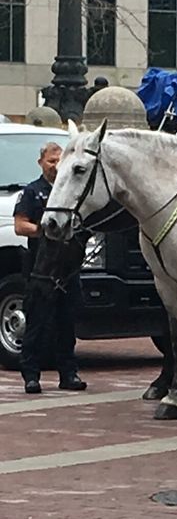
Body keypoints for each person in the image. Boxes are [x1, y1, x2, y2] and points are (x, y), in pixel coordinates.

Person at [14, 142, 88, 395]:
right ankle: (31, 376)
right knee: (36, 325)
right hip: (40, 269)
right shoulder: (33, 192)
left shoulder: (69, 190)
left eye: (59, 161)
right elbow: (20, 226)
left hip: (67, 269)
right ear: (40, 163)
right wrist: (45, 231)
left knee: (66, 325)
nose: (56, 166)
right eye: (51, 161)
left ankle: (69, 374)